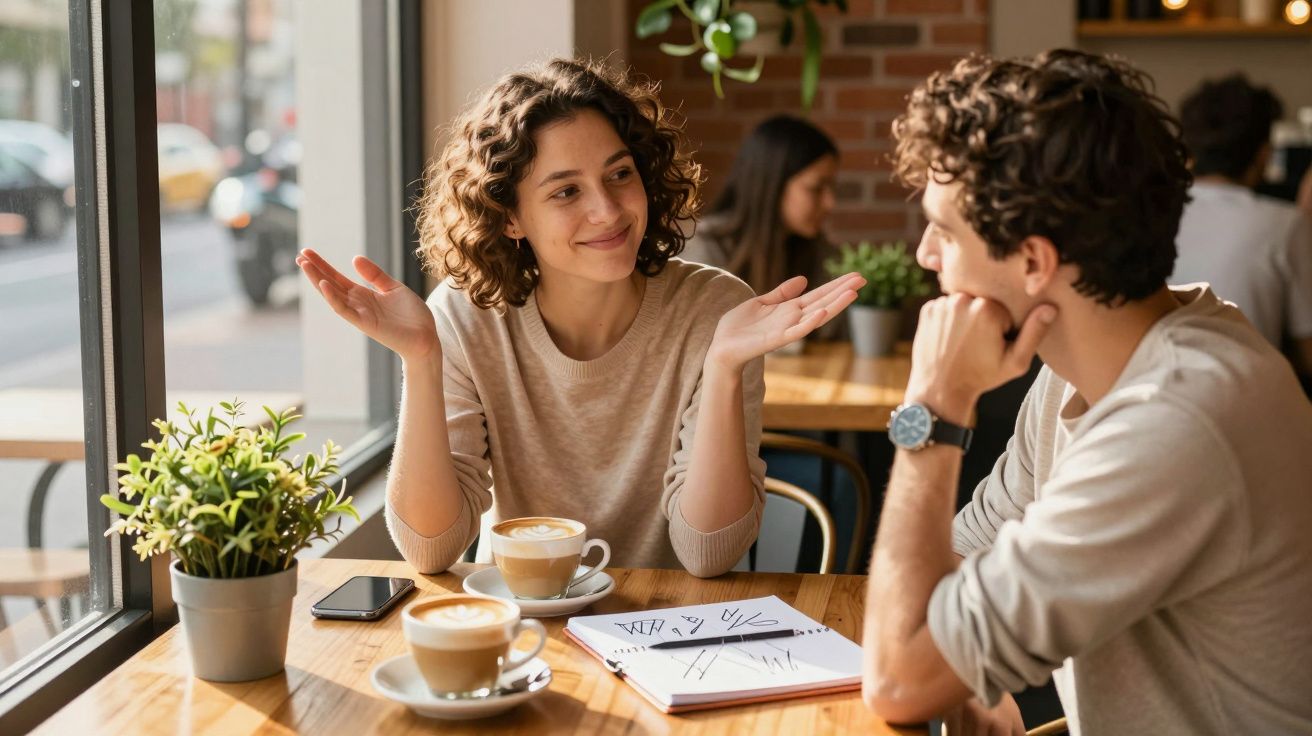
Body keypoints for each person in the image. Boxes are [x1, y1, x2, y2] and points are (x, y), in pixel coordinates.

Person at [860, 50, 1312, 734]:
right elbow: (951, 568)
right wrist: (960, 671)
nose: (926, 256)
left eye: (944, 232)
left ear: (1034, 262)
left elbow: (899, 678)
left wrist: (932, 409)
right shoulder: (1087, 364)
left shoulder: (1178, 419)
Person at [295, 59, 863, 578]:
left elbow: (709, 553)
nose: (608, 210)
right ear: (511, 217)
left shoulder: (714, 312)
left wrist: (723, 366)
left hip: (672, 631)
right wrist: (421, 359)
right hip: (525, 627)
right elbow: (430, 549)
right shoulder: (466, 318)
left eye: (619, 174)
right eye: (567, 191)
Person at [1173, 74, 1312, 381]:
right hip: (1252, 402)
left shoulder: (1151, 214)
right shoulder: (1285, 223)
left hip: (1154, 394)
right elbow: (1308, 350)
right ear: (1263, 153)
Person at [682, 115, 839, 303]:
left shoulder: (819, 253)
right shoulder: (704, 249)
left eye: (831, 188)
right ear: (773, 186)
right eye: (816, 188)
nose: (830, 202)